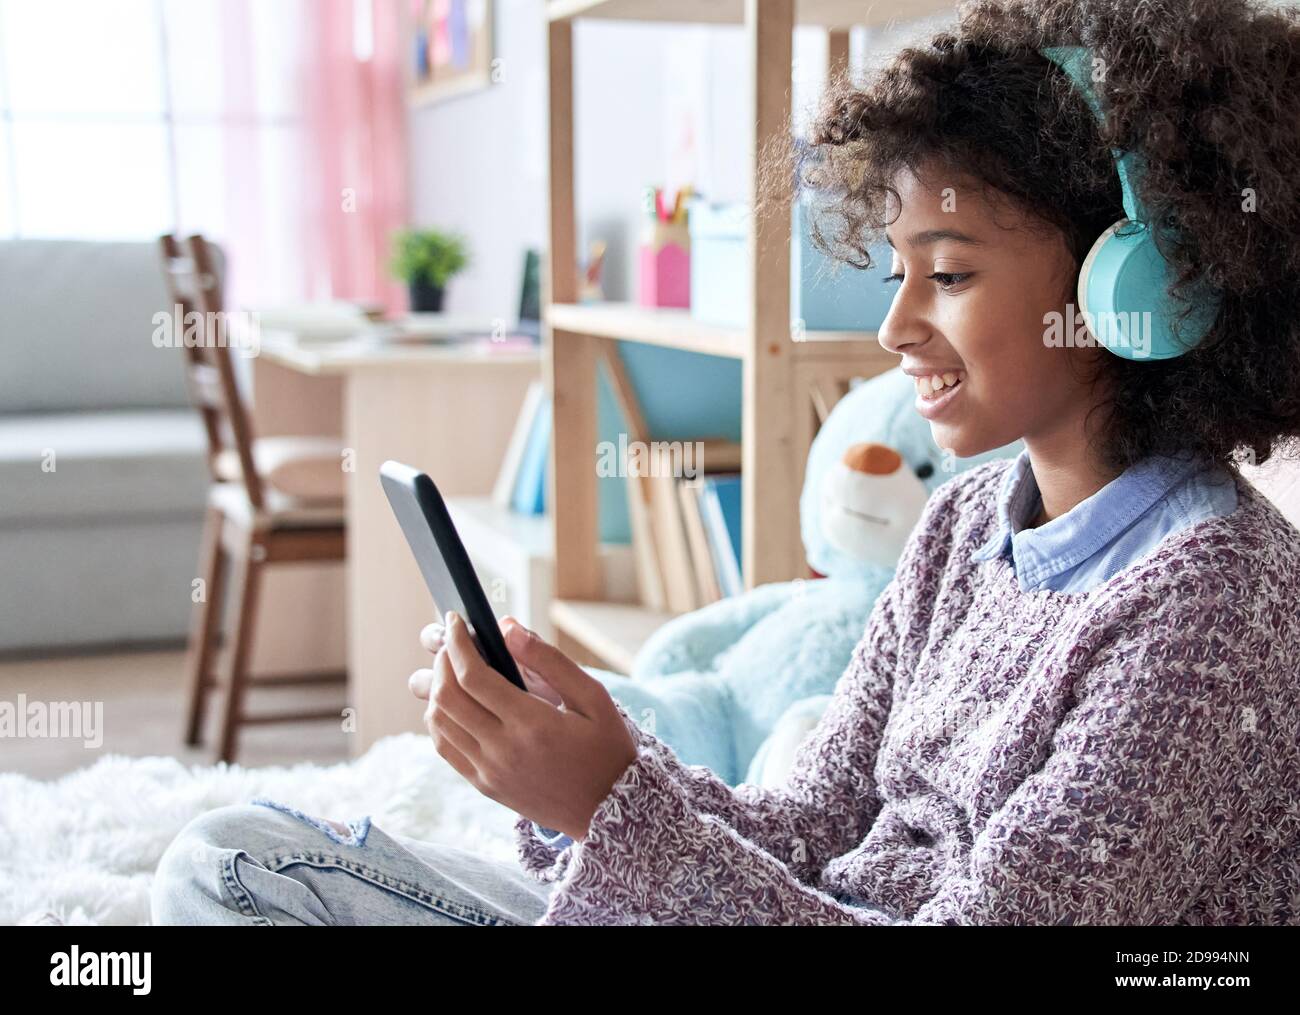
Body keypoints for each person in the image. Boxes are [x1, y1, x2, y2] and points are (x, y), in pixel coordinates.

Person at [152, 0, 1300, 926]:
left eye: (945, 276)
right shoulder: (960, 527)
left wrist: (612, 804)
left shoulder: (1212, 608)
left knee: (239, 880)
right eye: (895, 271)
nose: (895, 327)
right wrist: (598, 777)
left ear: (1142, 292)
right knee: (234, 859)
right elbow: (806, 830)